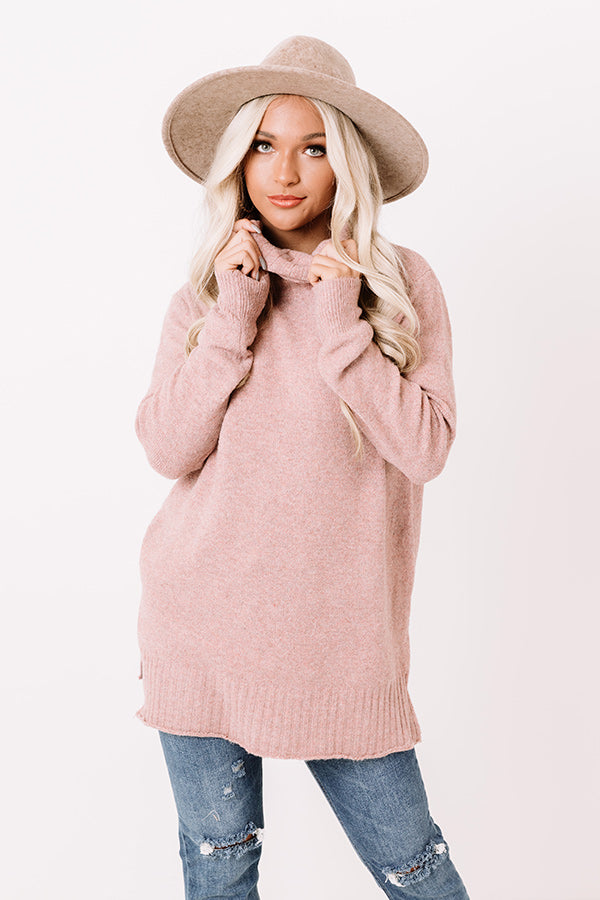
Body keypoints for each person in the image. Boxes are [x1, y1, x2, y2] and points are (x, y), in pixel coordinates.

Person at [134, 34, 470, 900]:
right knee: (220, 869)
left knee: (416, 869)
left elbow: (425, 448)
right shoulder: (207, 293)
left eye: (314, 147)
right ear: (238, 160)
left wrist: (340, 320)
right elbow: (167, 448)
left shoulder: (401, 284)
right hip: (200, 629)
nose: (284, 172)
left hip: (339, 645)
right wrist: (233, 317)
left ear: (346, 163)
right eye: (263, 145)